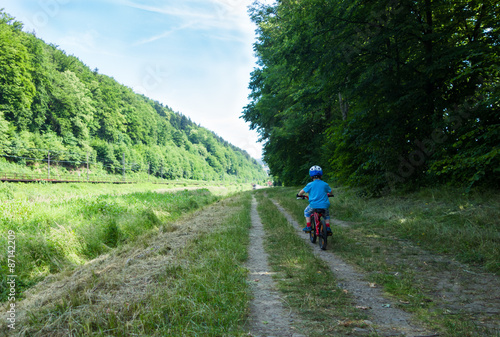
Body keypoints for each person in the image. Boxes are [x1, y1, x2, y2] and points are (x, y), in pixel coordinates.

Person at [297, 165, 333, 234]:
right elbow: (330, 191)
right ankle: (328, 227)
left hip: (313, 205)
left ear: (311, 176)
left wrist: (299, 195)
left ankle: (308, 226)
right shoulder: (325, 184)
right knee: (326, 215)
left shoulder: (310, 184)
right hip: (325, 205)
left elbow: (302, 192)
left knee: (306, 212)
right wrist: (330, 195)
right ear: (321, 176)